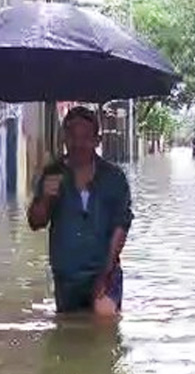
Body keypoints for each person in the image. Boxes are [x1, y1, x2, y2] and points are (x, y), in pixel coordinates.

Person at [27, 106, 132, 316]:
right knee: (69, 336)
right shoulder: (52, 173)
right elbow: (35, 222)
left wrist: (106, 272)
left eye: (85, 137)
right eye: (72, 137)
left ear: (96, 140)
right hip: (67, 278)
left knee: (104, 320)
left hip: (104, 272)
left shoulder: (114, 178)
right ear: (64, 139)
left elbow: (120, 227)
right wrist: (46, 198)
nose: (78, 144)